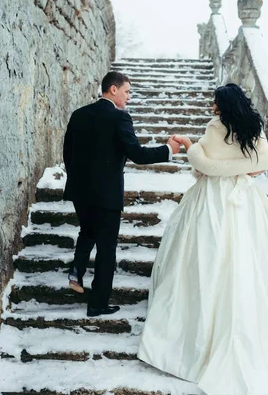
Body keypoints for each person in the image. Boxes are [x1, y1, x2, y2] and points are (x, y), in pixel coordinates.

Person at [138, 83, 268, 395]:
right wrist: (242, 168)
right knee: (249, 260)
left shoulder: (214, 128)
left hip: (213, 200)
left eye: (215, 103)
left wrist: (191, 146)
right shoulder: (254, 127)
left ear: (222, 105)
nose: (212, 107)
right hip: (245, 199)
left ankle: (196, 337)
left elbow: (204, 166)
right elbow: (265, 162)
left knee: (207, 259)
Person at [63, 71, 180, 317]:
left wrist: (77, 180)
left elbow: (68, 154)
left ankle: (76, 271)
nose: (128, 97)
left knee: (87, 231)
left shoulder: (78, 114)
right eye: (127, 91)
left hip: (79, 191)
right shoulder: (120, 118)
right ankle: (98, 303)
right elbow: (137, 154)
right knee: (106, 248)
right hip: (106, 195)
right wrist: (168, 150)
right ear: (113, 89)